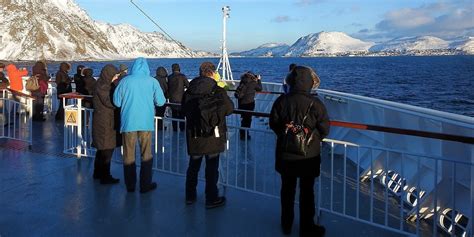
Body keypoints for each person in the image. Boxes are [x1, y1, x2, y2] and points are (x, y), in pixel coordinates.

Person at [269, 66, 330, 237]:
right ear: (310, 83)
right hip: (308, 156)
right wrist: (310, 136)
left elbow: (274, 124)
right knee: (307, 192)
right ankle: (307, 228)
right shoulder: (316, 103)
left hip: (285, 153)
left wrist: (287, 133)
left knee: (287, 190)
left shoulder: (281, 101)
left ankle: (286, 224)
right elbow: (324, 129)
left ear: (291, 81)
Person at [182, 62, 233, 208]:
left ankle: (190, 196)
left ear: (200, 72)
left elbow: (184, 109)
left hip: (195, 135)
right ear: (213, 73)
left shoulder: (189, 91)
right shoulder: (217, 90)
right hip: (213, 134)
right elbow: (229, 109)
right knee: (212, 169)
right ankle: (211, 198)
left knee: (193, 166)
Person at [113, 58, 165, 193]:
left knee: (129, 155)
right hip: (145, 123)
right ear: (146, 68)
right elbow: (160, 101)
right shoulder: (152, 81)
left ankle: (130, 185)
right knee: (146, 154)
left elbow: (117, 102)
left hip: (128, 123)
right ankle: (145, 184)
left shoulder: (125, 81)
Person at [92, 64, 122, 185]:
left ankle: (97, 173)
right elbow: (109, 102)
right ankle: (105, 176)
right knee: (107, 149)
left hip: (102, 120)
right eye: (114, 76)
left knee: (101, 149)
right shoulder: (104, 87)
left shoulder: (100, 83)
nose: (116, 78)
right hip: (105, 122)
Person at [234, 72, 262, 140]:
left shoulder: (242, 82)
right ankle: (245, 134)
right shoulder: (253, 83)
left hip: (241, 104)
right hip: (249, 104)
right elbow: (260, 89)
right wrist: (259, 80)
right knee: (248, 120)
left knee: (243, 119)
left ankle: (242, 133)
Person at [167, 63, 189, 131]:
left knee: (174, 115)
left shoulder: (169, 77)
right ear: (179, 68)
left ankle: (175, 129)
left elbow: (168, 87)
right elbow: (188, 85)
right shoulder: (182, 76)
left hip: (172, 99)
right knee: (181, 115)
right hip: (181, 99)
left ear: (172, 69)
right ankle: (182, 129)